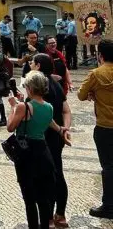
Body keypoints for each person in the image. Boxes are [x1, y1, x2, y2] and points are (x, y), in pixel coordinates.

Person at [7, 71, 70, 229]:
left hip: (27, 153)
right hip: (43, 151)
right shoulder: (48, 107)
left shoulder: (23, 107)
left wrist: (13, 106)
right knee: (43, 197)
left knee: (29, 198)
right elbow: (53, 125)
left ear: (29, 88)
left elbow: (10, 127)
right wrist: (63, 130)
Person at [31, 54, 72, 227]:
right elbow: (66, 110)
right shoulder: (56, 84)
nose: (31, 65)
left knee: (46, 177)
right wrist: (65, 129)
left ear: (38, 66)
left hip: (43, 137)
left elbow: (42, 115)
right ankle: (60, 214)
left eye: (32, 63)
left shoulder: (40, 87)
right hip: (56, 137)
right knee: (57, 173)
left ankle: (48, 218)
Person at [78, 39, 113, 219]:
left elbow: (81, 94)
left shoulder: (96, 74)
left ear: (100, 55)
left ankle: (109, 205)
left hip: (105, 126)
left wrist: (95, 92)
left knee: (108, 166)